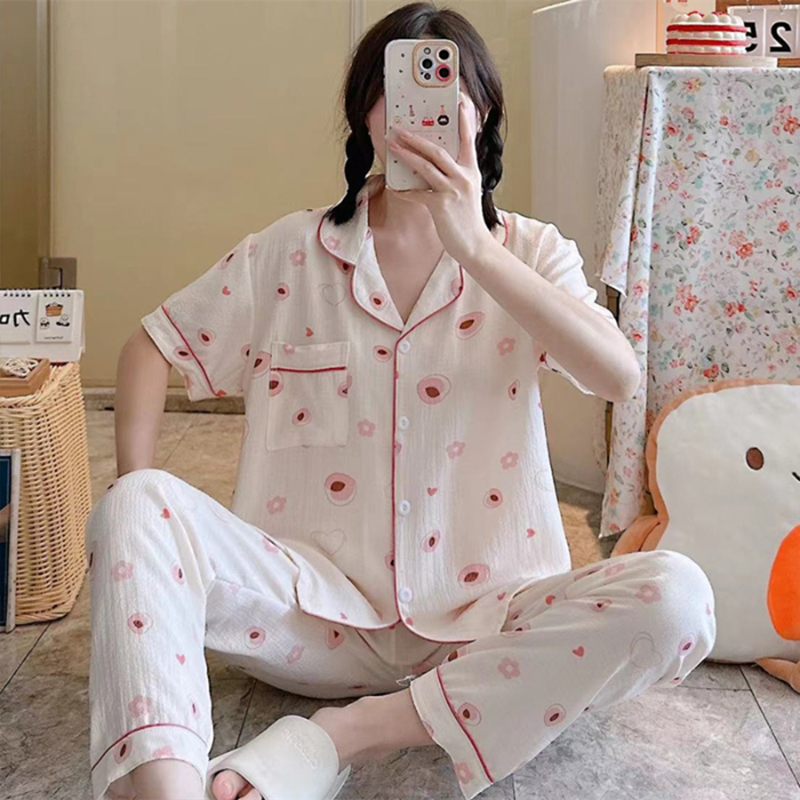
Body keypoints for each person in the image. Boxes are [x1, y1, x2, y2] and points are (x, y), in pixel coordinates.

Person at [87, 3, 716, 800]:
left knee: (678, 600)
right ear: (366, 112)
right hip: (307, 619)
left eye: (446, 85)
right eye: (396, 84)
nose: (419, 108)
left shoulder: (530, 252)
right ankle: (165, 789)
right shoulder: (289, 252)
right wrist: (133, 494)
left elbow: (617, 376)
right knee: (135, 503)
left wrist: (474, 246)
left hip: (488, 626)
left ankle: (344, 736)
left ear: (481, 113)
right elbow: (150, 347)